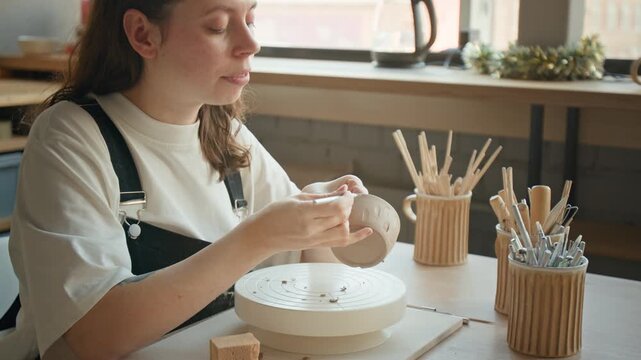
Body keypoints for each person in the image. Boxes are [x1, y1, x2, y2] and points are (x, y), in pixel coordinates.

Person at [0, 0, 373, 359]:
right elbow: (92, 337)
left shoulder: (226, 134)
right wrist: (257, 237)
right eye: (219, 26)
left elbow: (310, 267)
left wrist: (323, 211)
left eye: (251, 18)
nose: (251, 44)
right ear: (143, 34)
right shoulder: (70, 136)